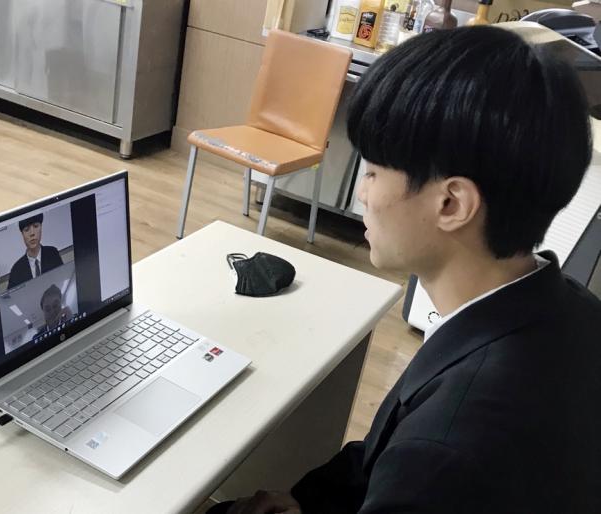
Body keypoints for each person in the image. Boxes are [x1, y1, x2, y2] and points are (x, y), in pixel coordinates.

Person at [209, 26, 601, 514]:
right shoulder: (572, 311)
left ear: (451, 203)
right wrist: (308, 500)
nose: (362, 192)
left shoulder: (444, 451)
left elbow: (421, 462)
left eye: (373, 172)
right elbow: (383, 451)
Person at [7, 213, 63, 289]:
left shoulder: (52, 253)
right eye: (26, 230)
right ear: (22, 234)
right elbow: (12, 295)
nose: (32, 233)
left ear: (41, 228)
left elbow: (62, 280)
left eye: (36, 226)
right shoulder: (16, 269)